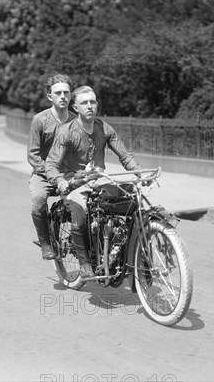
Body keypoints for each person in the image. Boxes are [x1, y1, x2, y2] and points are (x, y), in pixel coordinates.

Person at [45, 85, 140, 277]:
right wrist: (60, 181)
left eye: (92, 102)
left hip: (98, 180)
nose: (89, 106)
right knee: (79, 214)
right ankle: (84, 262)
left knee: (130, 201)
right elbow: (51, 164)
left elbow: (125, 155)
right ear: (75, 108)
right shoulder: (66, 132)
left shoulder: (104, 128)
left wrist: (138, 171)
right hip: (73, 183)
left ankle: (124, 252)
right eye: (84, 103)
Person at [28, 74, 77, 260]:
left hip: (70, 174)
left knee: (91, 201)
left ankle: (82, 242)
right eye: (58, 93)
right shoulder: (39, 120)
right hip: (43, 174)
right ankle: (45, 243)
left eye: (66, 92)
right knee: (39, 199)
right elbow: (33, 155)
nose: (62, 96)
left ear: (71, 95)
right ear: (50, 97)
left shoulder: (77, 121)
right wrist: (51, 174)